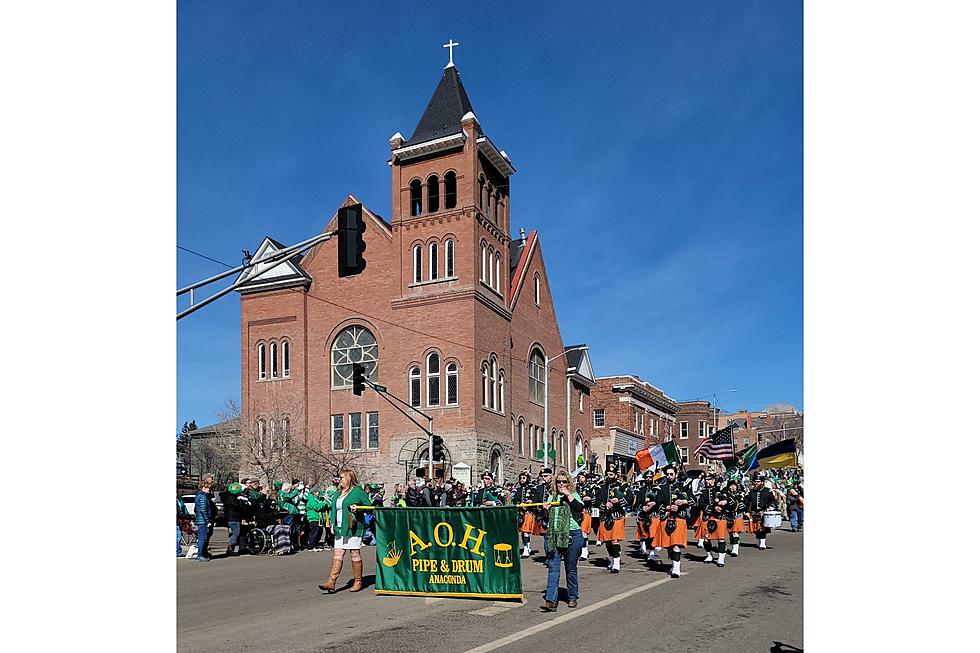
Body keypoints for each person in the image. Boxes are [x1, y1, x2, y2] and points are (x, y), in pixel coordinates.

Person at [319, 469, 371, 593]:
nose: (339, 480)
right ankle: (331, 582)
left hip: (353, 528)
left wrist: (357, 508)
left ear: (349, 478)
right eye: (339, 477)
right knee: (338, 553)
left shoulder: (358, 492)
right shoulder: (338, 493)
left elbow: (369, 506)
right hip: (339, 528)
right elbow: (333, 509)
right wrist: (332, 523)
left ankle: (358, 581)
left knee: (354, 553)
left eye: (342, 477)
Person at [541, 469, 585, 612]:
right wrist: (546, 511)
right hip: (555, 535)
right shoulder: (551, 497)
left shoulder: (573, 495)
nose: (561, 484)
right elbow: (546, 520)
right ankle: (551, 600)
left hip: (572, 534)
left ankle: (572, 597)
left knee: (570, 568)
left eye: (564, 481)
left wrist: (567, 494)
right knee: (553, 568)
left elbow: (579, 508)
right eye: (558, 481)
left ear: (569, 483)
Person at [651, 465, 690, 578]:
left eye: (671, 474)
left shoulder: (683, 487)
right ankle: (674, 564)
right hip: (666, 518)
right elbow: (658, 504)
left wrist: (683, 502)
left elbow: (692, 500)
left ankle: (677, 568)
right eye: (667, 474)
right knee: (669, 546)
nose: (669, 476)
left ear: (676, 474)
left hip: (679, 518)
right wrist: (668, 508)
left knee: (675, 545)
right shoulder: (661, 488)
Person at [594, 463, 626, 572]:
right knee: (607, 540)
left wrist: (618, 501)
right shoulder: (602, 487)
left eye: (611, 474)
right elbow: (597, 500)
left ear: (616, 475)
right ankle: (612, 559)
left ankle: (617, 563)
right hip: (605, 516)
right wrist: (604, 504)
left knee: (615, 539)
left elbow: (630, 498)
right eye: (607, 474)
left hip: (617, 516)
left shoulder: (623, 486)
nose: (608, 476)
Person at [696, 474, 729, 566]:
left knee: (721, 538)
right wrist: (714, 509)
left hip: (719, 517)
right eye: (706, 479)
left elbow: (727, 501)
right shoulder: (703, 492)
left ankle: (721, 558)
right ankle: (709, 555)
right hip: (707, 517)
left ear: (714, 480)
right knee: (706, 538)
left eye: (709, 479)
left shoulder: (721, 490)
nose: (707, 481)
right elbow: (701, 504)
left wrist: (725, 501)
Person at [745, 472, 778, 549]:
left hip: (764, 512)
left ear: (762, 482)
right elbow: (746, 501)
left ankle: (762, 543)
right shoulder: (751, 491)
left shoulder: (767, 491)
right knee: (756, 529)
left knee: (762, 528)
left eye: (758, 481)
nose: (756, 483)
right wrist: (746, 511)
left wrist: (771, 507)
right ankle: (759, 542)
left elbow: (773, 501)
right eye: (755, 481)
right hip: (754, 512)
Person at [634, 470, 659, 558]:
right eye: (647, 477)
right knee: (645, 535)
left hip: (654, 514)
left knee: (652, 534)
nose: (648, 479)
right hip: (644, 515)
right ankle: (646, 548)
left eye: (650, 477)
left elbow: (660, 501)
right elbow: (637, 502)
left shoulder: (657, 489)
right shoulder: (641, 490)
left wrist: (654, 504)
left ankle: (652, 553)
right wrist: (642, 507)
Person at [219, 482, 247, 556]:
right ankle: (230, 547)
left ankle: (231, 548)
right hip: (233, 518)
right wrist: (241, 501)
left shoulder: (229, 497)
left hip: (232, 517)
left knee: (234, 533)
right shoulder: (231, 498)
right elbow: (238, 506)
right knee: (236, 533)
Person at [514, 471, 538, 557]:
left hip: (529, 512)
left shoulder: (532, 488)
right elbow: (515, 500)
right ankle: (527, 547)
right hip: (521, 513)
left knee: (526, 532)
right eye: (520, 478)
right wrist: (520, 504)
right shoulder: (518, 489)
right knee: (523, 532)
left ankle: (526, 549)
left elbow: (536, 498)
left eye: (523, 478)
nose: (522, 480)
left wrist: (531, 501)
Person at [193, 479, 216, 562]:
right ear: (203, 488)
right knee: (202, 538)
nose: (209, 490)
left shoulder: (199, 496)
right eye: (208, 488)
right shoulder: (203, 497)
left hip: (201, 519)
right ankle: (200, 555)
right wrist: (208, 521)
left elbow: (196, 509)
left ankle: (203, 553)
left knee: (203, 537)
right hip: (203, 520)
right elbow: (203, 509)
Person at [576, 472, 593, 560]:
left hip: (586, 511)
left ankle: (584, 551)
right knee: (576, 532)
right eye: (579, 477)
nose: (581, 479)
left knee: (583, 532)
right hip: (576, 512)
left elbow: (595, 498)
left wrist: (589, 498)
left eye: (582, 477)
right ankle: (577, 550)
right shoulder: (575, 487)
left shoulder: (590, 487)